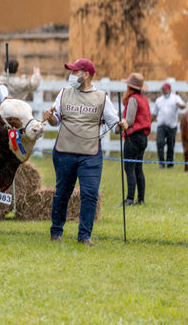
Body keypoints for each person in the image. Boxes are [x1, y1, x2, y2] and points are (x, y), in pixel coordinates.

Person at [43, 58, 127, 246]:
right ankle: (56, 232)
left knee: (90, 194)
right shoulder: (64, 93)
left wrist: (121, 126)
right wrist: (49, 118)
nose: (71, 75)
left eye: (75, 72)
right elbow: (55, 119)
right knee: (62, 192)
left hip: (90, 154)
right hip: (64, 151)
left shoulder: (102, 97)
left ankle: (84, 236)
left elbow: (113, 124)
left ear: (86, 74)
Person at [121, 73, 151, 205]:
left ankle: (129, 199)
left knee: (129, 167)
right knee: (138, 168)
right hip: (143, 137)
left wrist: (121, 124)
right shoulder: (143, 99)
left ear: (129, 86)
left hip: (132, 137)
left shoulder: (133, 99)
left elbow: (130, 120)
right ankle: (141, 199)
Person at [152, 83, 186, 169]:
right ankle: (161, 163)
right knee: (160, 143)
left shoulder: (175, 98)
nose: (163, 91)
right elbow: (154, 113)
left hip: (171, 125)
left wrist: (179, 105)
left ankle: (170, 164)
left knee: (171, 144)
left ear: (169, 90)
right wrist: (148, 122)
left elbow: (183, 106)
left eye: (165, 89)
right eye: (162, 89)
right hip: (161, 125)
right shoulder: (159, 100)